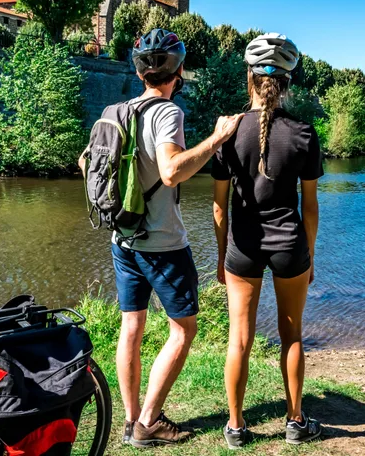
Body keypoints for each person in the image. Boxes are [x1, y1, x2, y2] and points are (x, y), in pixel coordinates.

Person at [81, 29, 243, 448]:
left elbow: (86, 162)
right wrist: (218, 138)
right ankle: (149, 422)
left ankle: (130, 418)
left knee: (130, 327)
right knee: (183, 330)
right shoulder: (167, 112)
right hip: (163, 244)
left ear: (139, 72)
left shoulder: (114, 110)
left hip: (122, 239)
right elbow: (172, 172)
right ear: (178, 71)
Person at [212, 33, 324, 449]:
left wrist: (223, 255)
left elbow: (220, 208)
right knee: (292, 336)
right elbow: (309, 206)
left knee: (238, 338)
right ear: (287, 83)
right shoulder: (304, 133)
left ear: (250, 78)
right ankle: (295, 422)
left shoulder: (227, 132)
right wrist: (308, 255)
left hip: (242, 246)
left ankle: (237, 428)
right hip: (290, 244)